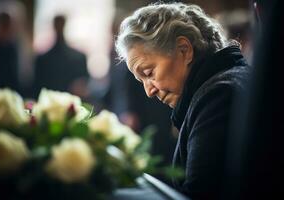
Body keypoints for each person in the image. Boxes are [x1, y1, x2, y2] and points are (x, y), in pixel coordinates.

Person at [115, 2, 250, 200]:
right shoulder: (226, 82)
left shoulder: (218, 95)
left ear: (184, 50)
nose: (149, 91)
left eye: (149, 73)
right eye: (141, 81)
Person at [33, 15, 89, 98]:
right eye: (58, 24)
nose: (59, 27)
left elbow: (84, 86)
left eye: (60, 24)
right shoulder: (43, 60)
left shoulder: (79, 58)